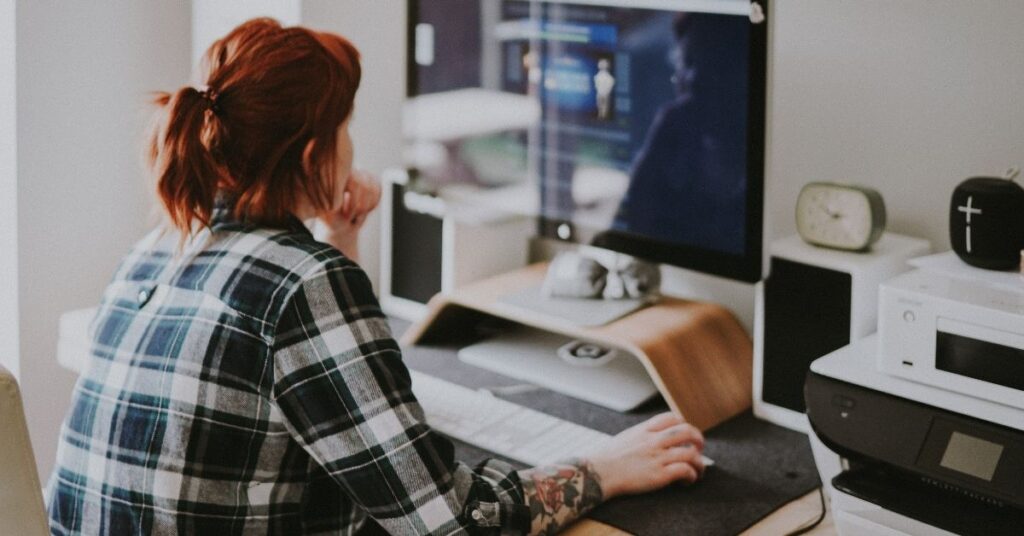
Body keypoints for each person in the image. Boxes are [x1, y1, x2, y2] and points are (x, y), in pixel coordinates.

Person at [46, 18, 706, 535]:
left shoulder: (159, 246)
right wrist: (605, 469)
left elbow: (323, 389)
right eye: (347, 128)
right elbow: (452, 521)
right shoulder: (302, 283)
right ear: (315, 154)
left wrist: (341, 239)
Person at [611, 13, 749, 255]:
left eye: (712, 62)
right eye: (688, 62)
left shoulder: (757, 152)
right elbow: (624, 233)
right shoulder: (672, 133)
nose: (694, 78)